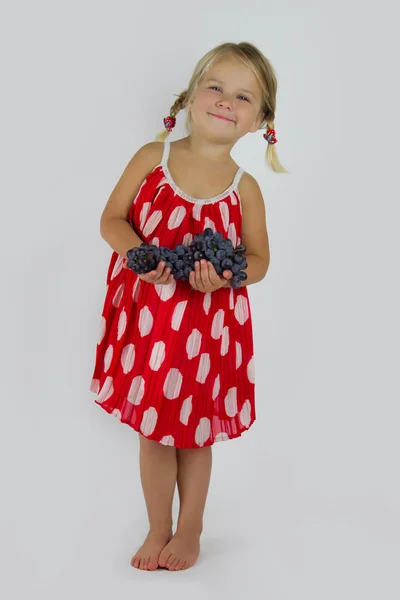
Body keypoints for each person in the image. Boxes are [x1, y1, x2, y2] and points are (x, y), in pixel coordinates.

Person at [89, 41, 287, 572]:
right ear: (191, 95)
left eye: (243, 97)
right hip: (150, 321)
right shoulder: (152, 158)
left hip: (207, 328)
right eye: (216, 86)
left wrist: (225, 277)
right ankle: (158, 526)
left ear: (259, 120)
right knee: (153, 431)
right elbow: (112, 220)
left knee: (195, 434)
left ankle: (192, 527)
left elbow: (261, 259)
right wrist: (139, 255)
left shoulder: (245, 190)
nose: (226, 100)